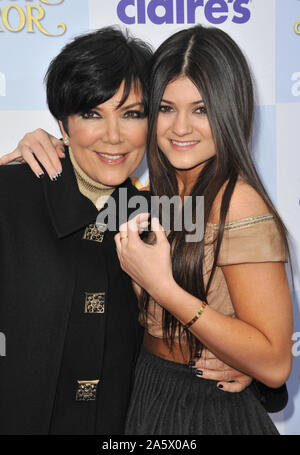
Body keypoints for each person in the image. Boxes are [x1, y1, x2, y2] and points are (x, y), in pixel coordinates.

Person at [0, 26, 253, 435]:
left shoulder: (163, 211)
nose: (114, 136)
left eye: (132, 114)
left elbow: (230, 326)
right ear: (63, 122)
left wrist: (238, 365)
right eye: (91, 114)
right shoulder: (11, 195)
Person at [114, 25, 293, 435]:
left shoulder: (238, 201)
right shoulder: (154, 194)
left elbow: (274, 362)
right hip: (148, 390)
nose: (180, 128)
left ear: (230, 110)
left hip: (207, 409)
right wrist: (50, 144)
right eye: (165, 107)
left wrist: (164, 288)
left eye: (201, 109)